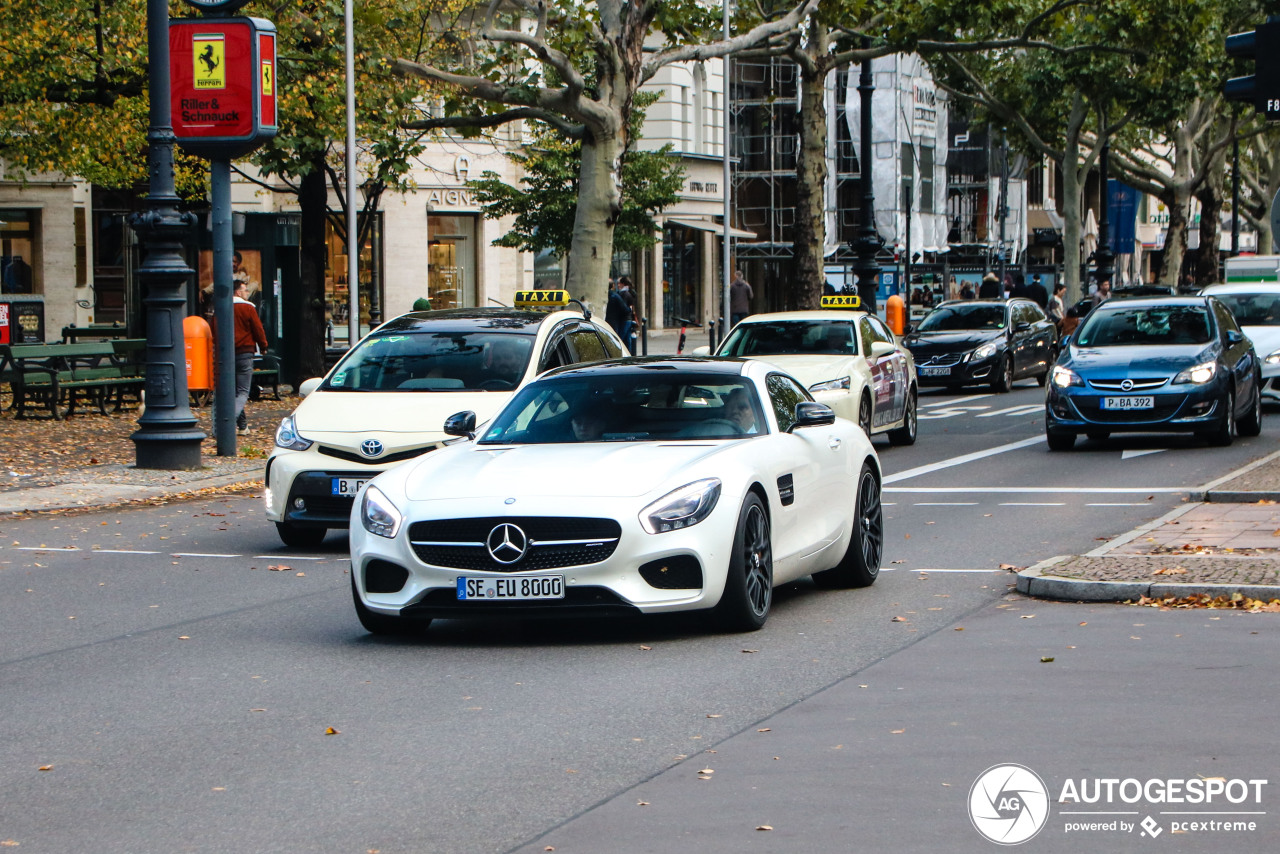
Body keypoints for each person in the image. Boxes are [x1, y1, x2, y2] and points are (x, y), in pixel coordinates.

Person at [231, 281, 268, 434]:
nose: (247, 293)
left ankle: (243, 426)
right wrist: (263, 346)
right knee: (243, 391)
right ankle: (228, 422)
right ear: (238, 292)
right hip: (244, 351)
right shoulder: (248, 307)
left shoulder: (221, 307)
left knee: (233, 392)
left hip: (225, 355)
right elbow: (258, 329)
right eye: (245, 291)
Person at [617, 276, 638, 354]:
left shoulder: (624, 293)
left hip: (624, 319)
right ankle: (629, 354)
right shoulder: (629, 292)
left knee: (621, 339)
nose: (618, 285)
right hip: (628, 319)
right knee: (627, 339)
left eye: (619, 283)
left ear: (623, 284)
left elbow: (624, 307)